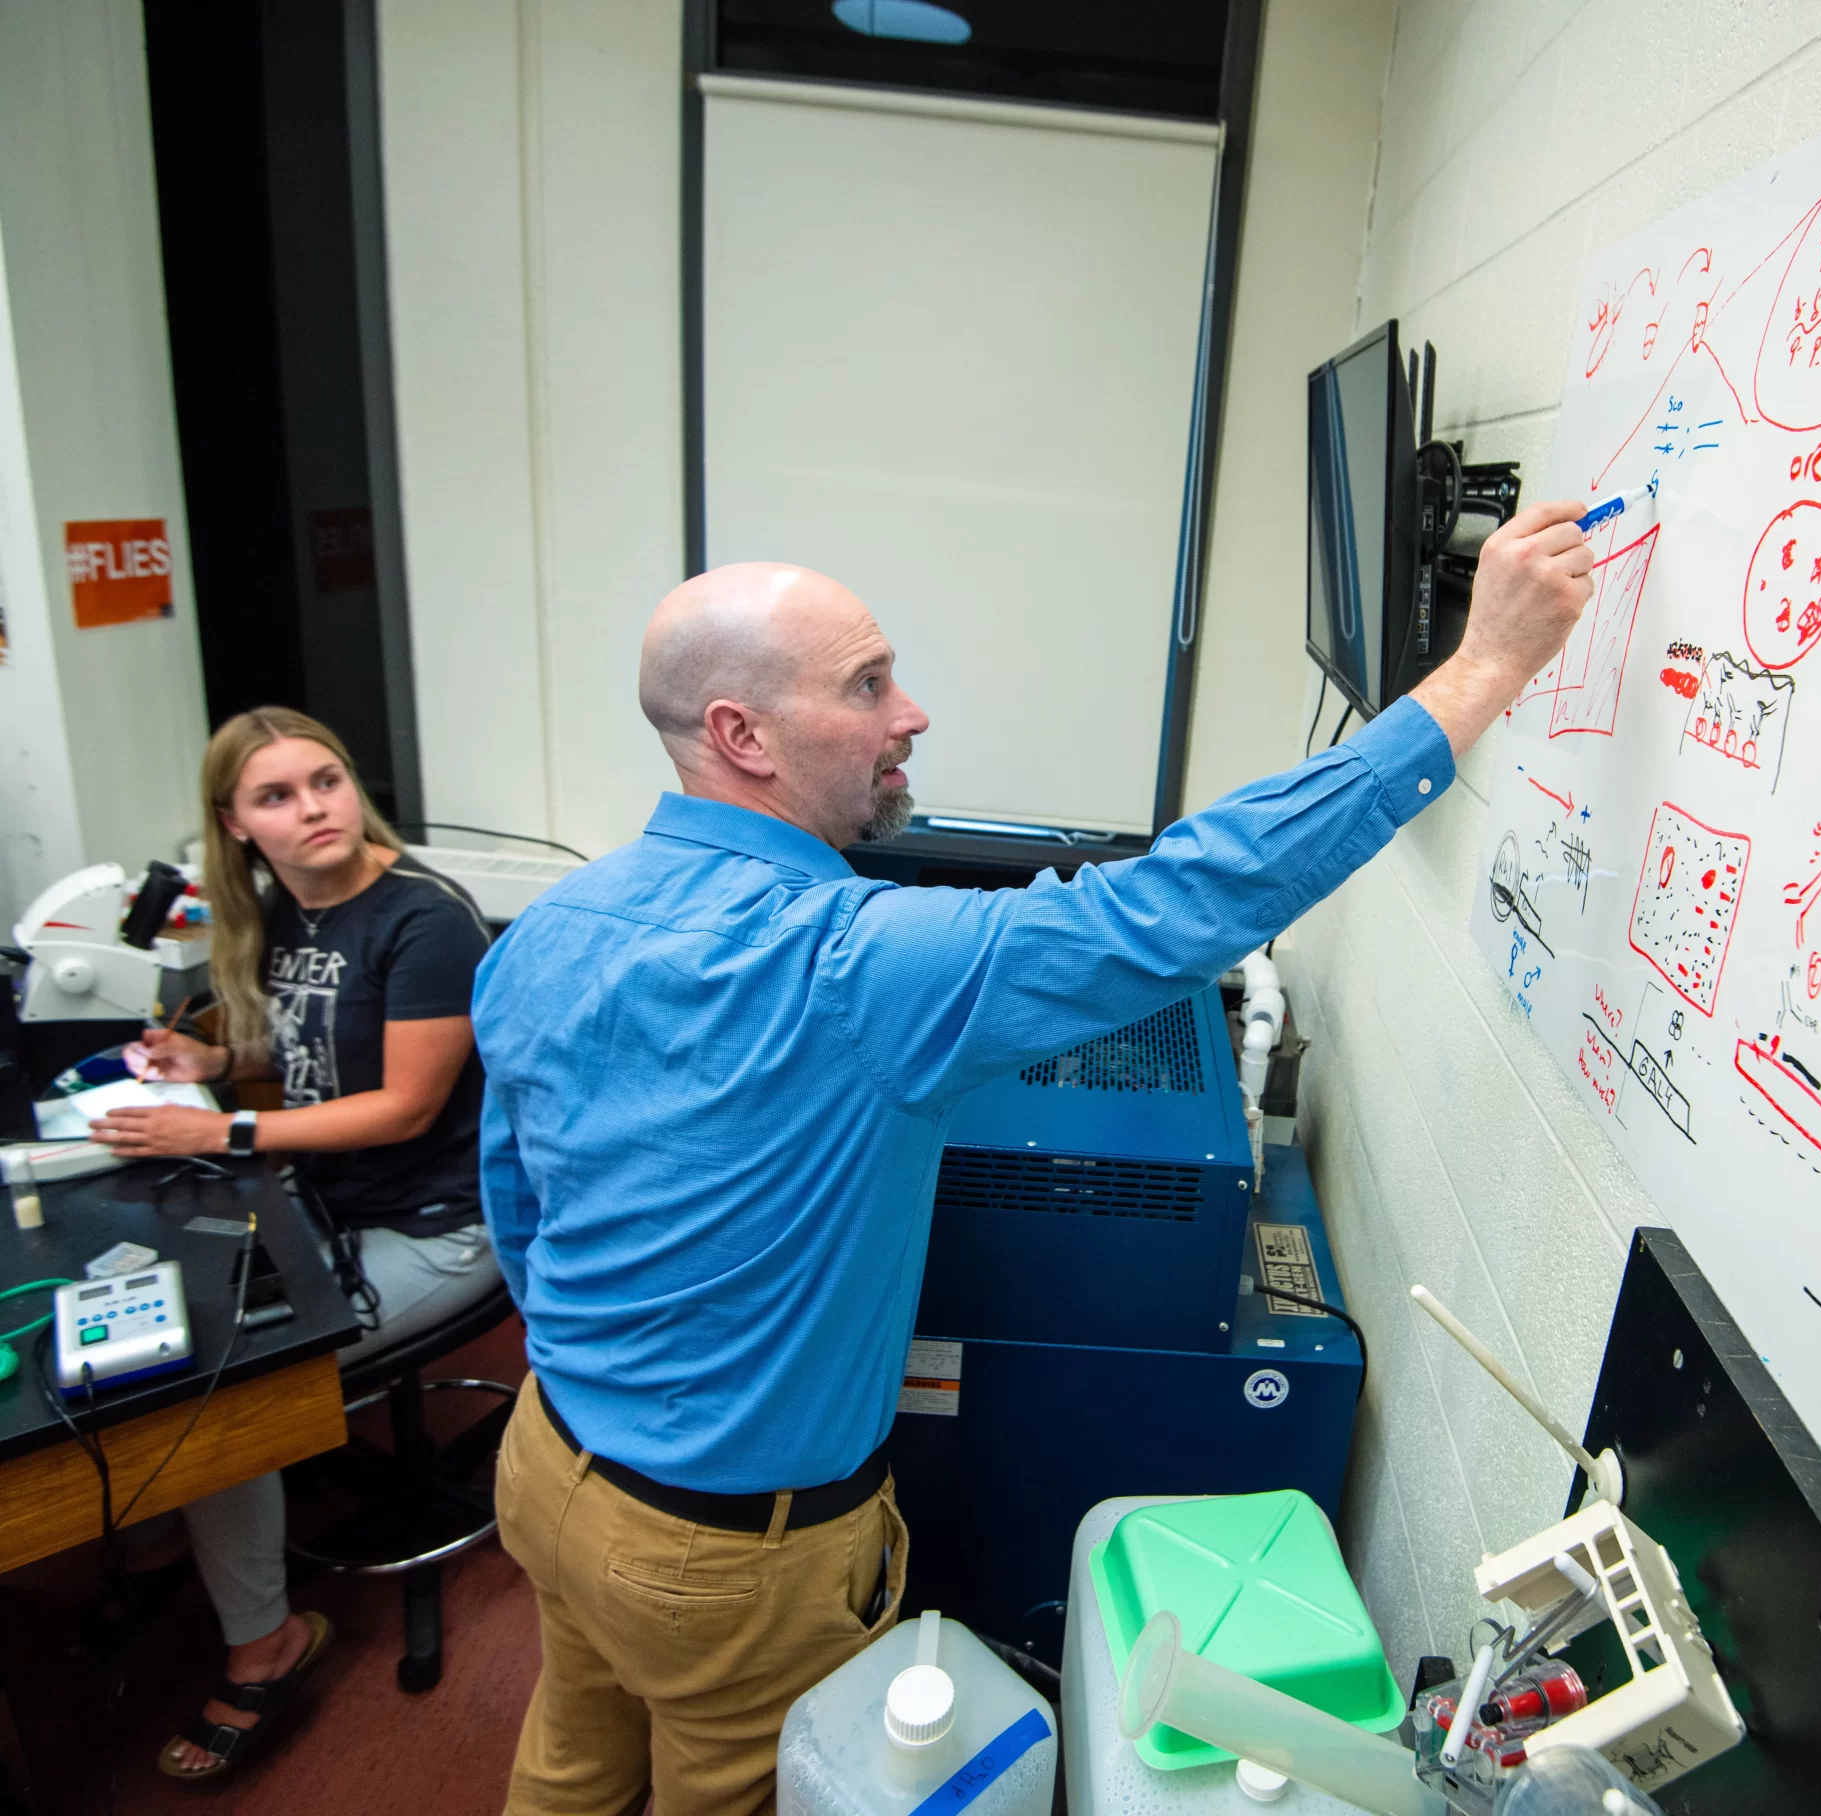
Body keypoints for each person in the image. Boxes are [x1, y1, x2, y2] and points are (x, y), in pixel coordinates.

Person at [474, 500, 1597, 1816]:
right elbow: (1184, 899)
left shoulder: (549, 931)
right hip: (725, 1560)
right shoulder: (856, 967)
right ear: (741, 736)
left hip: (547, 1469)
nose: (913, 715)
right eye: (869, 685)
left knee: (569, 1755)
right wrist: (1485, 672)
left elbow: (523, 1220)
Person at [89, 707, 500, 1780]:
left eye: (325, 780)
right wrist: (206, 1060)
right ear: (234, 825)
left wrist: (219, 1124)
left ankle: (266, 1638)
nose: (313, 809)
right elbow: (305, 1051)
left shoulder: (424, 917)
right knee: (153, 1314)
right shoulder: (280, 910)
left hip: (439, 1227)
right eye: (276, 795)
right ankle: (196, 1516)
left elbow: (405, 1107)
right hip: (322, 1207)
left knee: (216, 1390)